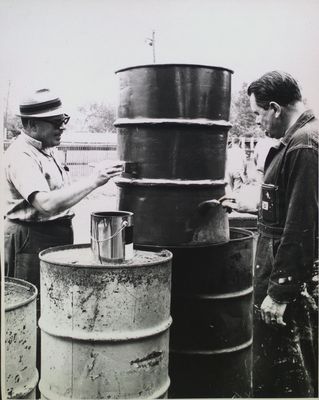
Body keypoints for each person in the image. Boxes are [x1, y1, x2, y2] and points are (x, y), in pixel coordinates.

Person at [4, 88, 123, 290]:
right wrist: (94, 180)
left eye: (63, 120)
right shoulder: (21, 155)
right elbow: (46, 204)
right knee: (32, 301)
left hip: (53, 233)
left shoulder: (47, 148)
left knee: (54, 297)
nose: (62, 128)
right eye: (55, 122)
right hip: (30, 238)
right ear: (32, 124)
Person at [246, 71, 318, 397]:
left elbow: (302, 225)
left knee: (292, 373)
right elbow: (289, 206)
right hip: (287, 277)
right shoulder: (301, 140)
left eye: (259, 114)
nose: (260, 123)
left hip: (291, 284)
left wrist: (279, 293)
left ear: (274, 108)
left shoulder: (303, 145)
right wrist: (252, 207)